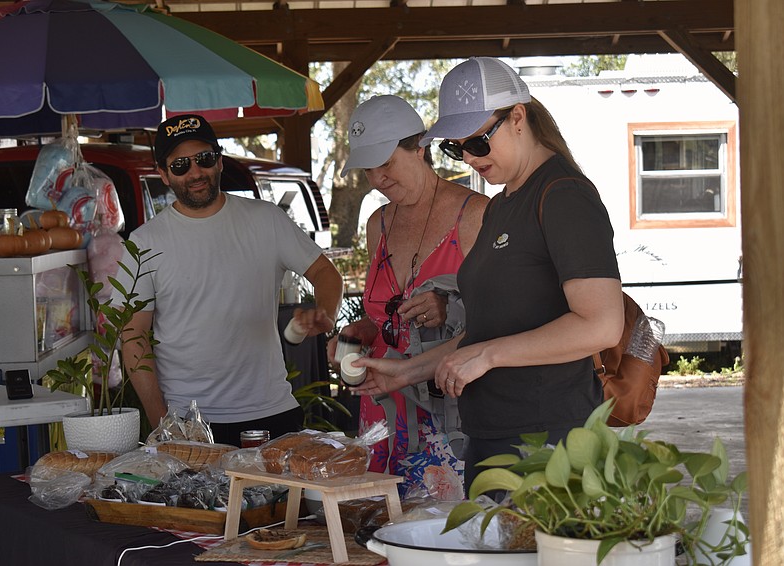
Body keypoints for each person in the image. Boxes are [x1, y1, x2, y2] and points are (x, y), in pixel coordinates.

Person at [350, 58, 624, 492]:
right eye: (455, 148)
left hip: (545, 439)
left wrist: (490, 355)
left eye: (477, 142)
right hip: (491, 434)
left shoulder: (563, 195)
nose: (469, 158)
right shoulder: (502, 203)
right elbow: (488, 331)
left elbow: (603, 324)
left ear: (518, 117)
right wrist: (406, 372)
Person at [114, 114, 343, 446]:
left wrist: (325, 312)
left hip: (271, 412)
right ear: (163, 173)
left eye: (204, 159)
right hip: (189, 422)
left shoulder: (266, 220)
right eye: (180, 165)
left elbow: (325, 272)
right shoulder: (144, 242)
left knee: (283, 500)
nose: (195, 172)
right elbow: (133, 335)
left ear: (219, 161)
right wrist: (160, 422)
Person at [332, 95, 488, 499]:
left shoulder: (474, 214)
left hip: (449, 407)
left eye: (385, 163)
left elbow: (502, 318)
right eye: (368, 169)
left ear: (419, 148)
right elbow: (388, 319)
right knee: (380, 528)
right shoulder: (377, 223)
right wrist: (357, 334)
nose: (378, 178)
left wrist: (449, 307)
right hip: (383, 407)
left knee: (450, 535)